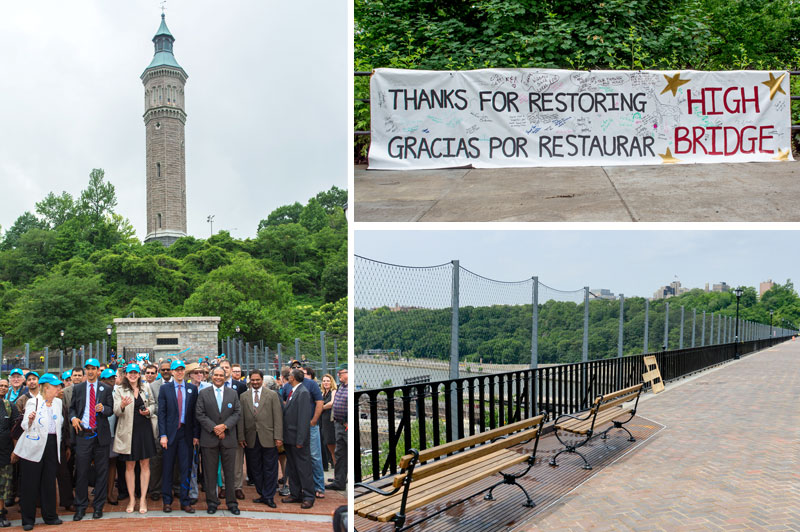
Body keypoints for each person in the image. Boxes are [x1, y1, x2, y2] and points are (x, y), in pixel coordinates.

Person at [14, 373, 64, 531]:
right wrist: (30, 419)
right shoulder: (33, 402)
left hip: (51, 444)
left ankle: (50, 516)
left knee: (49, 482)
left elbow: (59, 424)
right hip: (34, 445)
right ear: (46, 388)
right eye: (56, 386)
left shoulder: (58, 403)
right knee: (30, 483)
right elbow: (24, 425)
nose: (59, 388)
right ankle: (28, 520)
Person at [69, 358, 113, 521]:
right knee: (82, 471)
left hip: (100, 435)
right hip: (84, 434)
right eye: (88, 368)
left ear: (98, 371)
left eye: (93, 368)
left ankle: (98, 506)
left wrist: (103, 409)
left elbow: (111, 410)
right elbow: (72, 408)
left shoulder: (106, 388)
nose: (90, 371)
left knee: (102, 472)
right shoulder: (78, 388)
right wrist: (73, 418)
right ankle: (80, 506)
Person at [195, 367, 241, 515]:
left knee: (229, 473)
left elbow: (237, 412)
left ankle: (232, 503)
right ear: (211, 376)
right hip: (209, 438)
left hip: (228, 438)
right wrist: (214, 428)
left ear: (225, 377)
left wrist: (225, 426)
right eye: (216, 375)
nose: (218, 377)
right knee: (210, 473)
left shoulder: (232, 393)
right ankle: (212, 502)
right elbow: (199, 413)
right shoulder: (203, 393)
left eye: (221, 375)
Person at [113, 364, 157, 514]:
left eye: (135, 373)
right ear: (126, 374)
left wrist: (149, 411)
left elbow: (153, 404)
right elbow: (116, 411)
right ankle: (132, 498)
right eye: (130, 373)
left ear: (139, 374)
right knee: (130, 466)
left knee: (145, 464)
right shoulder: (119, 389)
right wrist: (122, 405)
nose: (133, 375)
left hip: (144, 430)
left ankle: (143, 498)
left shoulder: (146, 387)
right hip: (128, 431)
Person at [158, 360, 199, 514]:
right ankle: (167, 501)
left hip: (186, 434)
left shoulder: (191, 389)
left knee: (185, 468)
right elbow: (161, 414)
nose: (180, 372)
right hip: (170, 434)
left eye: (182, 369)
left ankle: (185, 501)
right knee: (167, 468)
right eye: (177, 370)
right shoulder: (165, 389)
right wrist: (163, 435)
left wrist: (195, 435)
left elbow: (194, 414)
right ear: (172, 372)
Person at [236, 369, 282, 508]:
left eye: (258, 380)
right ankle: (262, 493)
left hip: (268, 437)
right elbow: (241, 418)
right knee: (255, 468)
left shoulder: (272, 395)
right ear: (249, 380)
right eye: (253, 380)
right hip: (251, 438)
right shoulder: (244, 396)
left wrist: (278, 436)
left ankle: (269, 496)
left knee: (270, 468)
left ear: (262, 380)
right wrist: (241, 436)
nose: (255, 382)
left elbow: (278, 416)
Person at [281, 368, 314, 509]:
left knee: (303, 468)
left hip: (298, 438)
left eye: (289, 375)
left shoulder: (303, 392)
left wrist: (300, 440)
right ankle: (295, 494)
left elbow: (303, 418)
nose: (288, 377)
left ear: (293, 378)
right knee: (293, 467)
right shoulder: (294, 391)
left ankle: (308, 496)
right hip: (290, 437)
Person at [218, 359, 246, 500]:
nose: (224, 370)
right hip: (218, 429)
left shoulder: (240, 386)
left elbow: (241, 410)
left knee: (237, 460)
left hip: (235, 427)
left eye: (227, 367)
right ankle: (224, 486)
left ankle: (237, 487)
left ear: (230, 369)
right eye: (222, 367)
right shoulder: (214, 385)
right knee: (223, 459)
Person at [0, 379, 19, 527]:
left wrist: (15, 450)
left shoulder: (10, 406)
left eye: (6, 386)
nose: (3, 388)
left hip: (5, 452)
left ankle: (1, 513)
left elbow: (15, 430)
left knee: (3, 485)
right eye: (0, 385)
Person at [326, 365, 348, 491]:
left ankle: (342, 480)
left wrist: (347, 421)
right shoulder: (341, 387)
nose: (338, 375)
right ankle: (339, 481)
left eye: (341, 373)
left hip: (345, 425)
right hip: (338, 424)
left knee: (346, 453)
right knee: (340, 454)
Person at [320, 373, 337, 470]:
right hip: (324, 421)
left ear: (331, 382)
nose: (326, 383)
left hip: (330, 421)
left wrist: (321, 407)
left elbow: (332, 403)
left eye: (328, 381)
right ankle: (335, 466)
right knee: (328, 445)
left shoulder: (333, 391)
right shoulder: (322, 393)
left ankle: (337, 467)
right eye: (324, 381)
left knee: (332, 445)